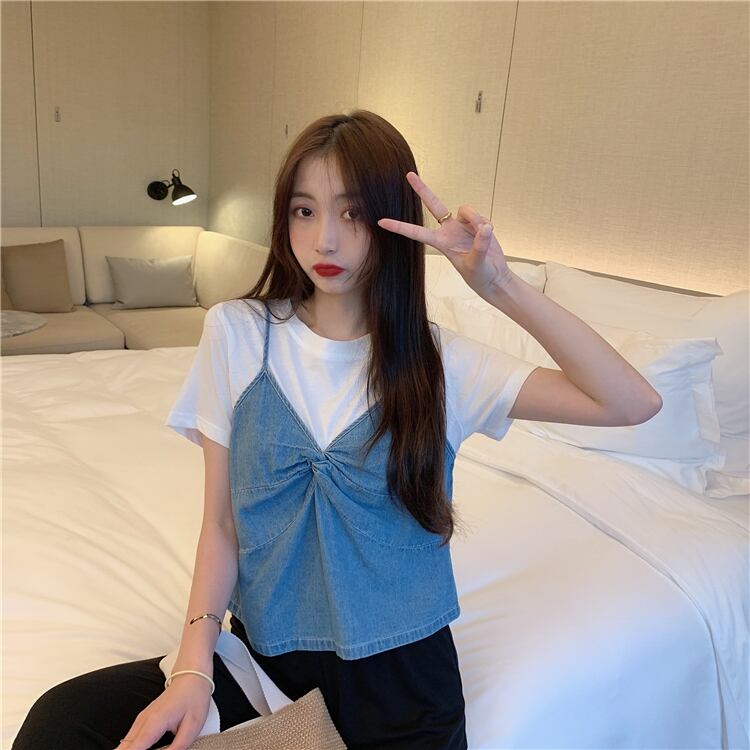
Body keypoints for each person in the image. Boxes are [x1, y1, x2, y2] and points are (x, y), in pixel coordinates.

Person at [13, 109, 662, 750]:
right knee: (66, 720)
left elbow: (631, 403)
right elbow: (222, 523)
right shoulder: (238, 334)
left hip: (404, 689)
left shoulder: (442, 363)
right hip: (263, 663)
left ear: (393, 222)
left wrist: (500, 286)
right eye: (305, 210)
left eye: (352, 214)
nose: (325, 239)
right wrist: (192, 667)